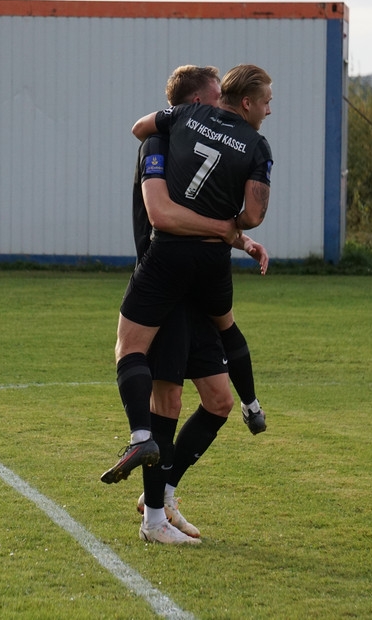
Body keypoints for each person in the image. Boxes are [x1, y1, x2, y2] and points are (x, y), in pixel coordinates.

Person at [102, 64, 274, 487]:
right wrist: (232, 232)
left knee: (205, 394)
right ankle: (156, 510)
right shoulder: (166, 144)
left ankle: (147, 452)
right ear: (199, 100)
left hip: (177, 266)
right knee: (179, 390)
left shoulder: (183, 124)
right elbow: (168, 215)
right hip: (193, 268)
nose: (220, 106)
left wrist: (237, 239)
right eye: (215, 98)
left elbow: (178, 210)